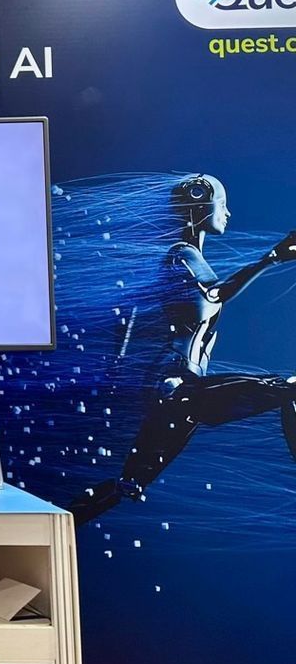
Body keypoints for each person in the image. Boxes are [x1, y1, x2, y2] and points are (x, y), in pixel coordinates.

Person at [70, 173, 296, 523]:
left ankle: (53, 528)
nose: (228, 213)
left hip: (177, 390)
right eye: (222, 204)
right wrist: (272, 258)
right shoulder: (181, 254)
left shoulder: (181, 258)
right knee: (290, 389)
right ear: (201, 207)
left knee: (127, 485)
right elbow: (214, 294)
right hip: (177, 389)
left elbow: (131, 315)